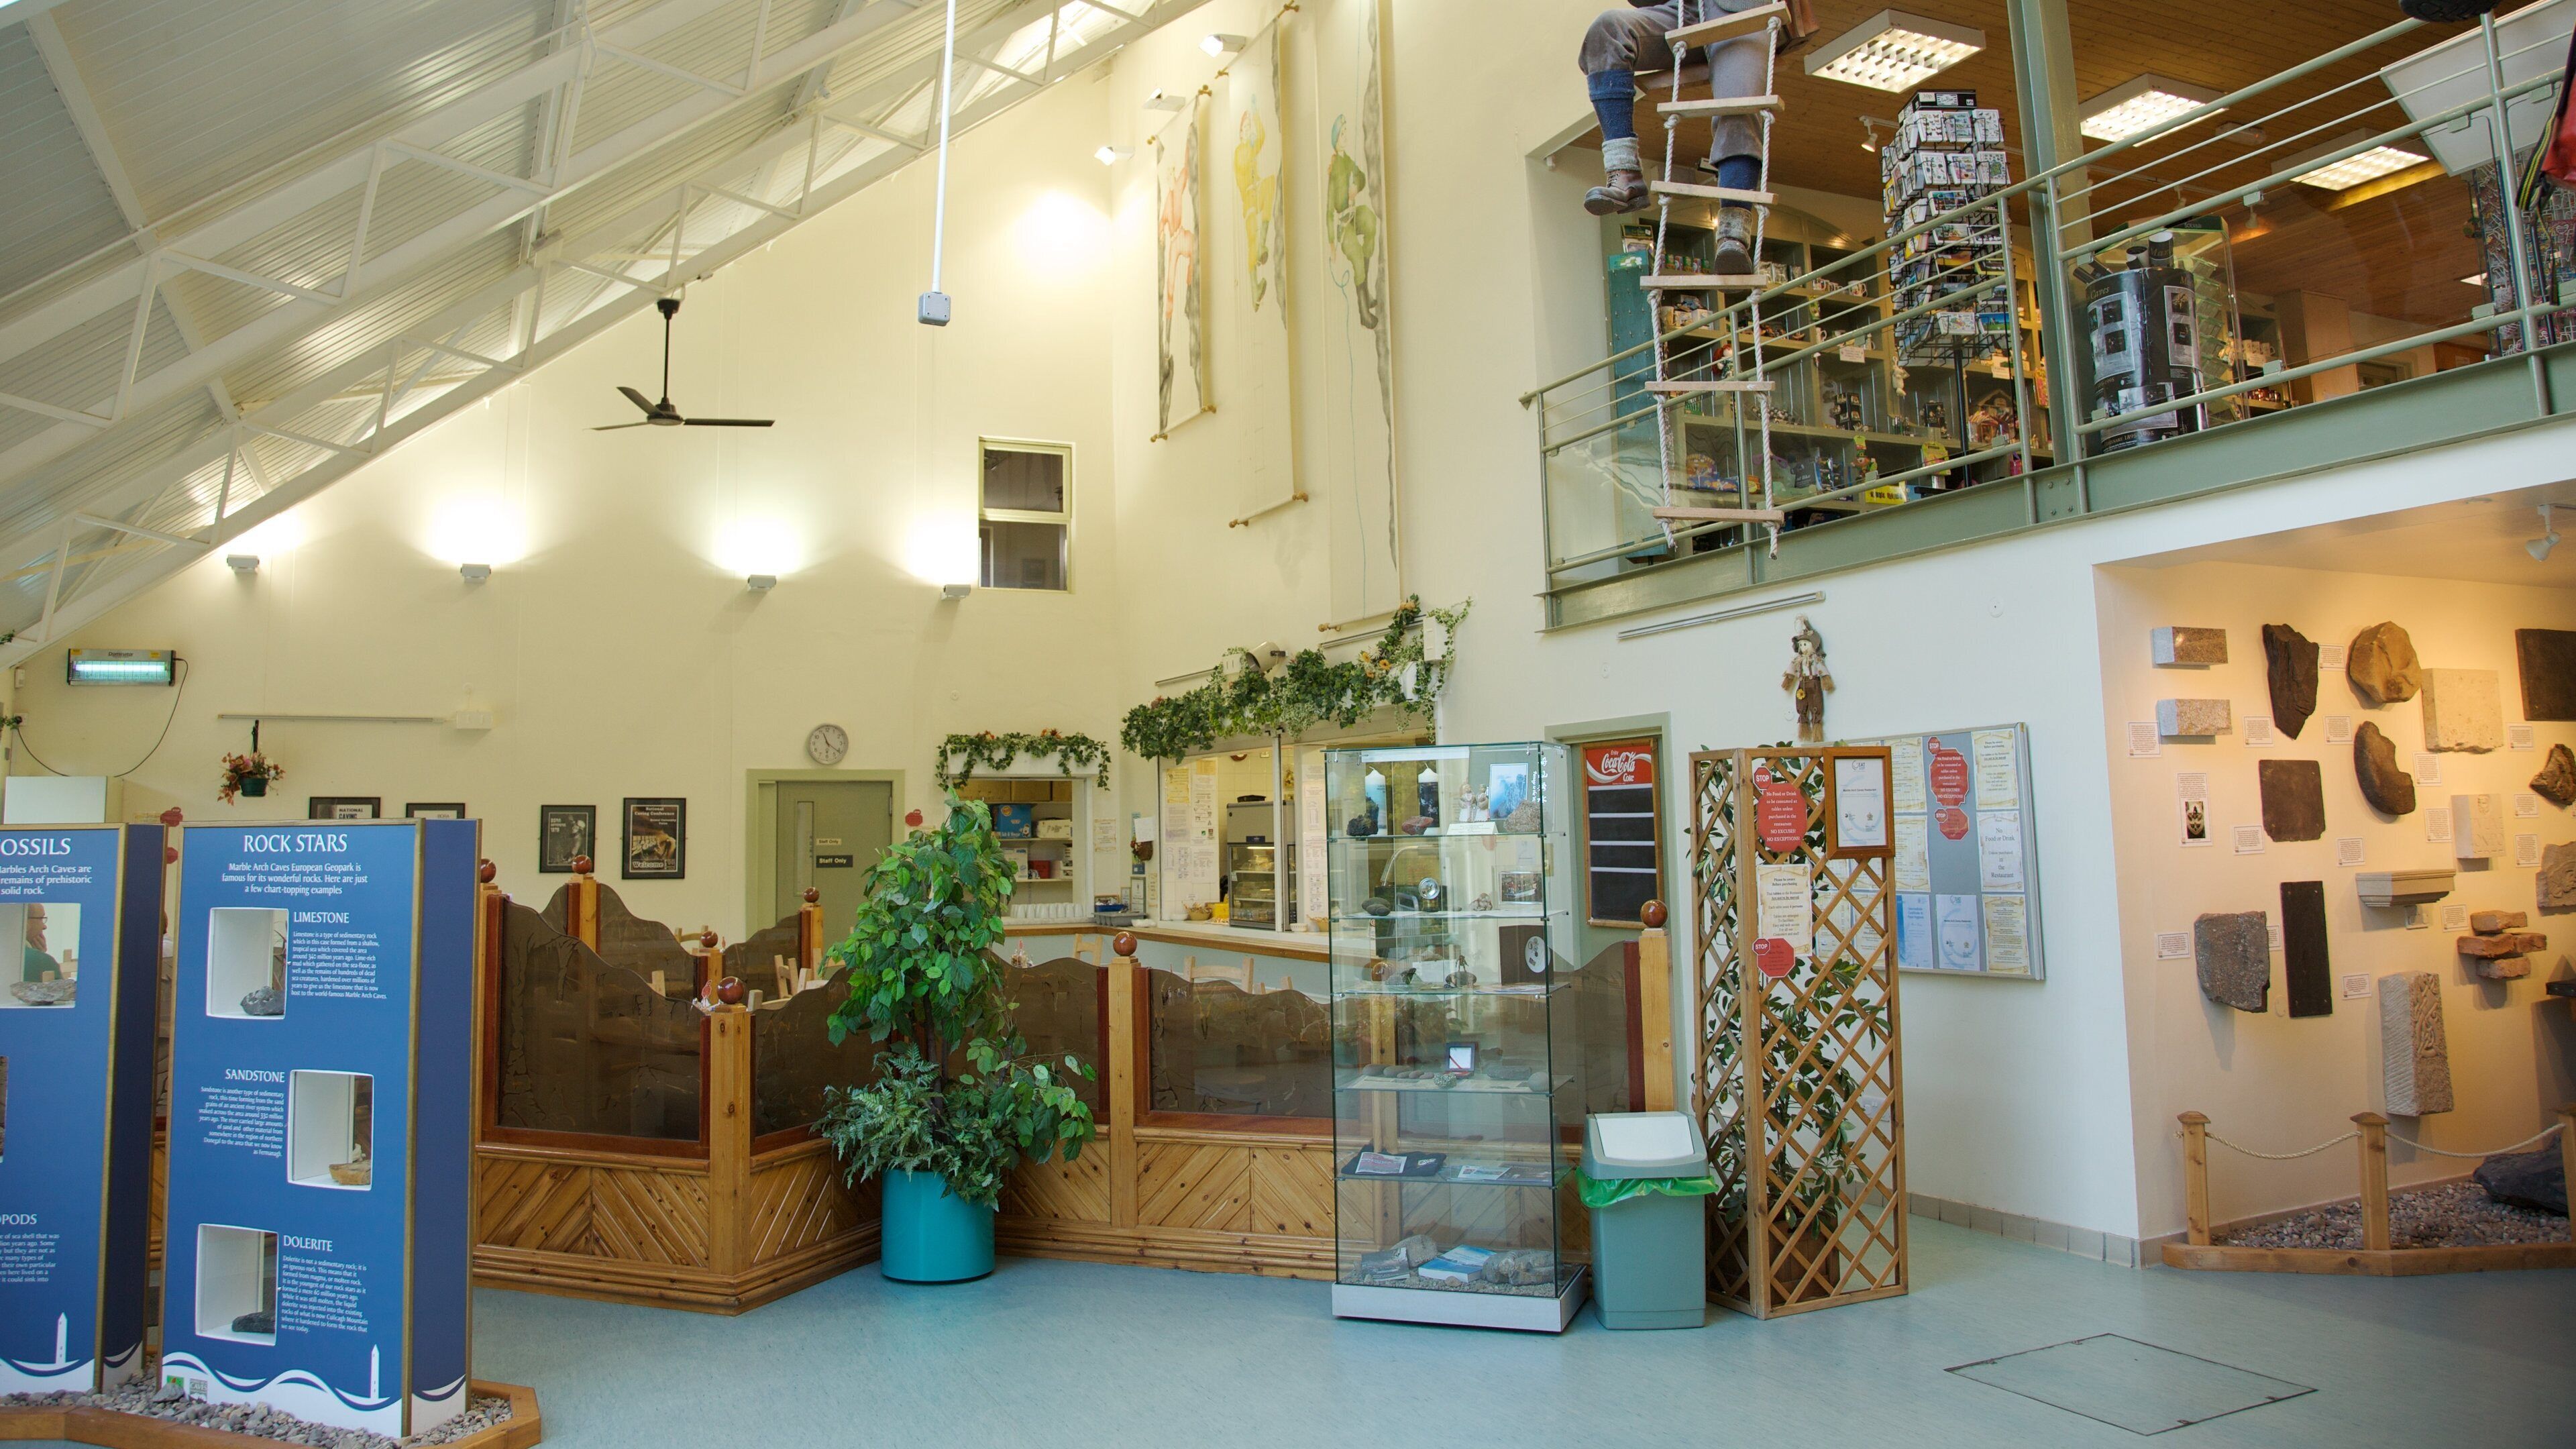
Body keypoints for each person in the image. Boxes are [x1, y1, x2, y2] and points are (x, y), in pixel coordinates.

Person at [1580, 1, 1773, 273]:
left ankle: (1733, 230)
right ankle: (1624, 172)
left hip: (1739, 8)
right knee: (1608, 31)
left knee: (1739, 105)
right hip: (1683, 9)